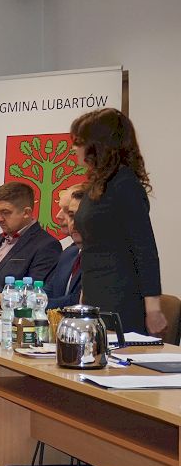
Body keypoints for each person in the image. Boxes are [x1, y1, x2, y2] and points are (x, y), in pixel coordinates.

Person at [70, 107, 165, 335]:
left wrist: (153, 308)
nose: (74, 148)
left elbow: (144, 248)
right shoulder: (97, 184)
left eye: (79, 142)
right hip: (95, 290)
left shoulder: (124, 184)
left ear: (97, 145)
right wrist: (84, 293)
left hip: (120, 295)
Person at [0, 185, 83, 310]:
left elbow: (78, 300)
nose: (58, 216)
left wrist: (16, 302)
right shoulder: (69, 253)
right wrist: (9, 297)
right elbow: (47, 292)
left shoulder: (48, 245)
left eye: (71, 213)